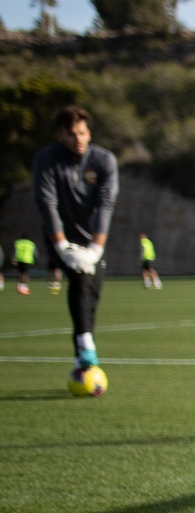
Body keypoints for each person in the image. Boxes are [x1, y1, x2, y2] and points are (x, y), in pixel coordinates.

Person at [32, 106, 119, 370]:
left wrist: (95, 249)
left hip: (92, 238)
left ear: (89, 133)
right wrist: (62, 246)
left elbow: (105, 206)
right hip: (59, 235)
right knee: (80, 280)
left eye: (82, 133)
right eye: (71, 134)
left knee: (91, 293)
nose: (78, 139)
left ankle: (81, 357)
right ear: (59, 135)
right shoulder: (46, 159)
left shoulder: (104, 161)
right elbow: (47, 204)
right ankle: (87, 347)